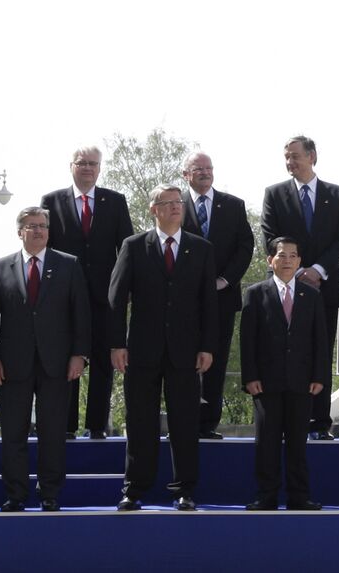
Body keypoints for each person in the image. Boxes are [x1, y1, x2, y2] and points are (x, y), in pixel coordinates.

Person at [109, 185, 219, 511]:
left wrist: (207, 346)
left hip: (185, 351)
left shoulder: (201, 249)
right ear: (153, 209)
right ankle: (134, 489)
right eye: (168, 203)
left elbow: (209, 304)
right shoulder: (133, 246)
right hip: (142, 349)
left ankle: (184, 489)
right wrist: (116, 344)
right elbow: (116, 300)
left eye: (178, 203)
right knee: (140, 421)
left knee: (184, 422)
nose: (175, 207)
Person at [0, 206, 91, 512]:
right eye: (32, 226)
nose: (39, 230)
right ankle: (16, 494)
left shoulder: (68, 265)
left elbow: (80, 315)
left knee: (53, 432)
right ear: (20, 232)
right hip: (12, 364)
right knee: (13, 433)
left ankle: (50, 494)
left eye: (43, 225)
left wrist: (79, 355)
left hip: (57, 363)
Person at [40, 144, 135, 437]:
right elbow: (45, 248)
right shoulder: (52, 201)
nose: (87, 168)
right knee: (68, 360)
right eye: (81, 163)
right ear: (71, 166)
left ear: (99, 167)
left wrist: (127, 288)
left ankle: (97, 426)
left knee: (104, 363)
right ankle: (66, 426)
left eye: (93, 163)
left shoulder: (115, 201)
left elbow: (127, 248)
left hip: (105, 297)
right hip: (64, 298)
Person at [260, 136, 339, 439]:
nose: (290, 162)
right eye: (286, 157)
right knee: (287, 353)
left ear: (312, 156)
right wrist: (296, 271)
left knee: (320, 354)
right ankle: (289, 423)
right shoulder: (274, 195)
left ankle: (319, 422)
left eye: (295, 156)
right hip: (286, 288)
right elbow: (270, 237)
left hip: (324, 288)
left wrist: (317, 270)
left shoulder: (337, 195)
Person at [239, 237, 325, 511]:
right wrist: (250, 376)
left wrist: (319, 376)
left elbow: (319, 340)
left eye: (292, 255)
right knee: (267, 443)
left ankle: (299, 497)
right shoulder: (255, 293)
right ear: (270, 260)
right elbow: (247, 340)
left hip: (302, 382)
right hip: (266, 383)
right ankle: (266, 496)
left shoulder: (311, 295)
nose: (287, 260)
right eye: (281, 255)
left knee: (298, 443)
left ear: (300, 261)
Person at [180, 150, 256, 439]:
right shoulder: (176, 204)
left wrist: (225, 279)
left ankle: (209, 423)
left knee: (216, 359)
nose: (205, 172)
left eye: (209, 168)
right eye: (198, 168)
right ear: (185, 174)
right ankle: (184, 419)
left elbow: (245, 245)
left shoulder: (232, 205)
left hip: (222, 298)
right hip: (185, 301)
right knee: (182, 361)